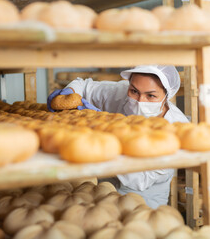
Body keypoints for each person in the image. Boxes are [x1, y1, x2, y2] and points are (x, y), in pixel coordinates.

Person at [47, 65, 189, 208]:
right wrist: (70, 93)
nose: (140, 101)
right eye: (134, 91)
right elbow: (83, 84)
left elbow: (139, 180)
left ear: (166, 95)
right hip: (102, 189)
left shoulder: (176, 128)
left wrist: (102, 127)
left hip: (142, 201)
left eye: (151, 95)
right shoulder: (119, 93)